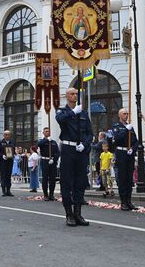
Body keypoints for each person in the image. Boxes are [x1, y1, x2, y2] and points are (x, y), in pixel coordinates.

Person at [56, 87, 93, 226]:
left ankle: (78, 213)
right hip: (67, 149)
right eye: (72, 94)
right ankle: (69, 214)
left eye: (76, 94)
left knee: (80, 182)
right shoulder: (62, 111)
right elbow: (59, 120)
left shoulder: (83, 113)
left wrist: (85, 144)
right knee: (66, 182)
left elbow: (90, 133)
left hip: (80, 150)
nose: (75, 95)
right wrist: (72, 112)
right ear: (67, 96)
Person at [110, 108, 138, 211]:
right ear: (120, 115)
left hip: (129, 153)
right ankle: (123, 202)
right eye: (124, 114)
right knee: (122, 179)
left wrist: (133, 149)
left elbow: (136, 141)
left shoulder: (130, 127)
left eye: (127, 114)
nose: (126, 115)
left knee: (129, 179)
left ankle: (129, 201)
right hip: (121, 153)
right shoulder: (116, 127)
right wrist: (126, 130)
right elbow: (116, 139)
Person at [37, 127, 60, 201]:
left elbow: (57, 152)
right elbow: (39, 144)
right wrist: (46, 140)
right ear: (43, 133)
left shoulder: (53, 142)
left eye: (48, 131)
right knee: (45, 178)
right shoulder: (42, 141)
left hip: (52, 162)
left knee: (53, 179)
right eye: (46, 131)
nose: (47, 132)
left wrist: (54, 159)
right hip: (45, 161)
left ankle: (51, 194)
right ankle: (45, 195)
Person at [0, 130, 15, 196]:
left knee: (8, 175)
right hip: (3, 162)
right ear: (3, 135)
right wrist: (2, 156)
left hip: (10, 161)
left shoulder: (12, 142)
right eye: (6, 135)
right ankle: (4, 190)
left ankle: (8, 190)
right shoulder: (0, 143)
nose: (7, 136)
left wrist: (12, 155)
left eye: (8, 134)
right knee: (3, 175)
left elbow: (14, 151)